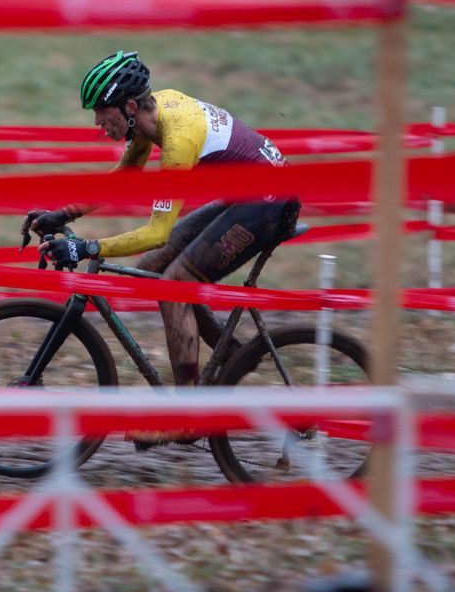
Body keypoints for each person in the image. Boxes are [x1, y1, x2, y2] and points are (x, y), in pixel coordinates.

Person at [22, 50, 298, 399]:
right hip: (250, 194)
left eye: (101, 113)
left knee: (174, 284)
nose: (97, 123)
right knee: (154, 268)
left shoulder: (177, 138)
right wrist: (63, 214)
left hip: (270, 203)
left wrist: (87, 247)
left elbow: (157, 233)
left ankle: (184, 413)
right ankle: (232, 357)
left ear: (130, 109)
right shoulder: (148, 116)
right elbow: (125, 177)